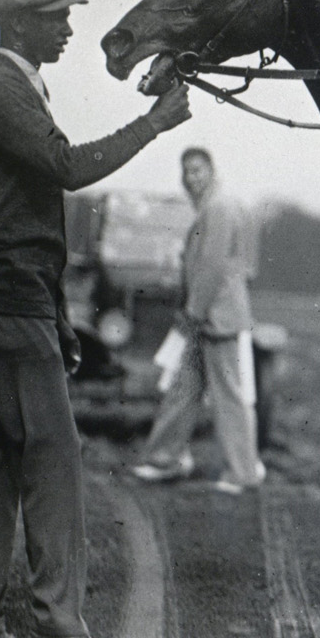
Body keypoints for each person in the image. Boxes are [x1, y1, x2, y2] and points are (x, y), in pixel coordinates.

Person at [0, 0, 191, 638]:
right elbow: (66, 168)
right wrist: (154, 123)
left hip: (10, 305)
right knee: (55, 465)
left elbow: (29, 211)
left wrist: (57, 317)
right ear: (20, 25)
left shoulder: (14, 89)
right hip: (9, 307)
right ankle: (58, 625)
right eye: (57, 19)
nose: (69, 31)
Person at [131, 148, 266, 493]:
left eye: (198, 171)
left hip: (216, 317)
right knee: (182, 389)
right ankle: (164, 459)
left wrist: (192, 312)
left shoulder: (219, 207)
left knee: (229, 396)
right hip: (207, 316)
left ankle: (244, 472)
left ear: (211, 171)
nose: (192, 178)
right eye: (187, 172)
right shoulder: (214, 205)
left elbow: (212, 266)